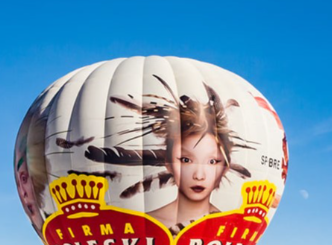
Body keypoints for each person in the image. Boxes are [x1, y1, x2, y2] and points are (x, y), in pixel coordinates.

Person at [81, 75, 253, 235]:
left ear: (225, 166)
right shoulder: (141, 224)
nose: (199, 175)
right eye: (186, 160)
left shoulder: (234, 226)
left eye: (212, 161)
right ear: (168, 163)